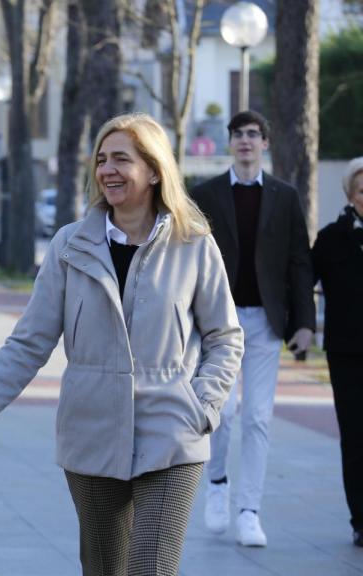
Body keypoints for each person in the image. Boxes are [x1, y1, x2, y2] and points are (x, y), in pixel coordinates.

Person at [0, 113, 244, 576]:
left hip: (172, 432)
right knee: (103, 568)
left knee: (151, 568)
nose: (107, 170)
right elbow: (29, 342)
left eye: (121, 159)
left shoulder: (194, 244)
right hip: (90, 432)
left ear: (154, 170)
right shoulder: (69, 246)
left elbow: (225, 336)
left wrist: (203, 406)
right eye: (101, 160)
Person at [192, 110, 315, 547]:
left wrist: (305, 323)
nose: (245, 140)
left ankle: (249, 512)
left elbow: (299, 261)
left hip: (265, 321)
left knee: (258, 417)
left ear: (265, 143)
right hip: (217, 321)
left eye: (253, 134)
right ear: (230, 142)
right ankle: (218, 484)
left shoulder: (284, 196)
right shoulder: (205, 194)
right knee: (223, 412)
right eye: (238, 134)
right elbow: (187, 255)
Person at [311, 157, 363, 546]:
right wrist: (298, 326)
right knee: (355, 437)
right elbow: (303, 281)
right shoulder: (331, 238)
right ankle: (361, 519)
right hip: (347, 353)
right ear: (350, 195)